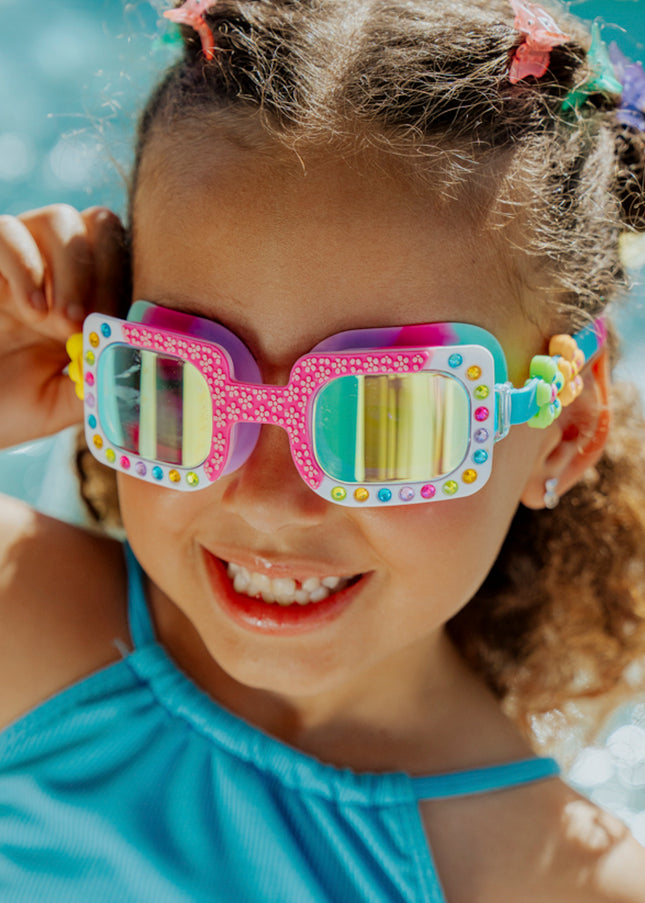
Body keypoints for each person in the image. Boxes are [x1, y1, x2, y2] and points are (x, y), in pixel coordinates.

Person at [1, 0, 645, 899]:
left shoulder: (563, 885)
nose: (268, 498)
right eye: (181, 380)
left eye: (388, 418)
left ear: (563, 431)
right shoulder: (22, 621)